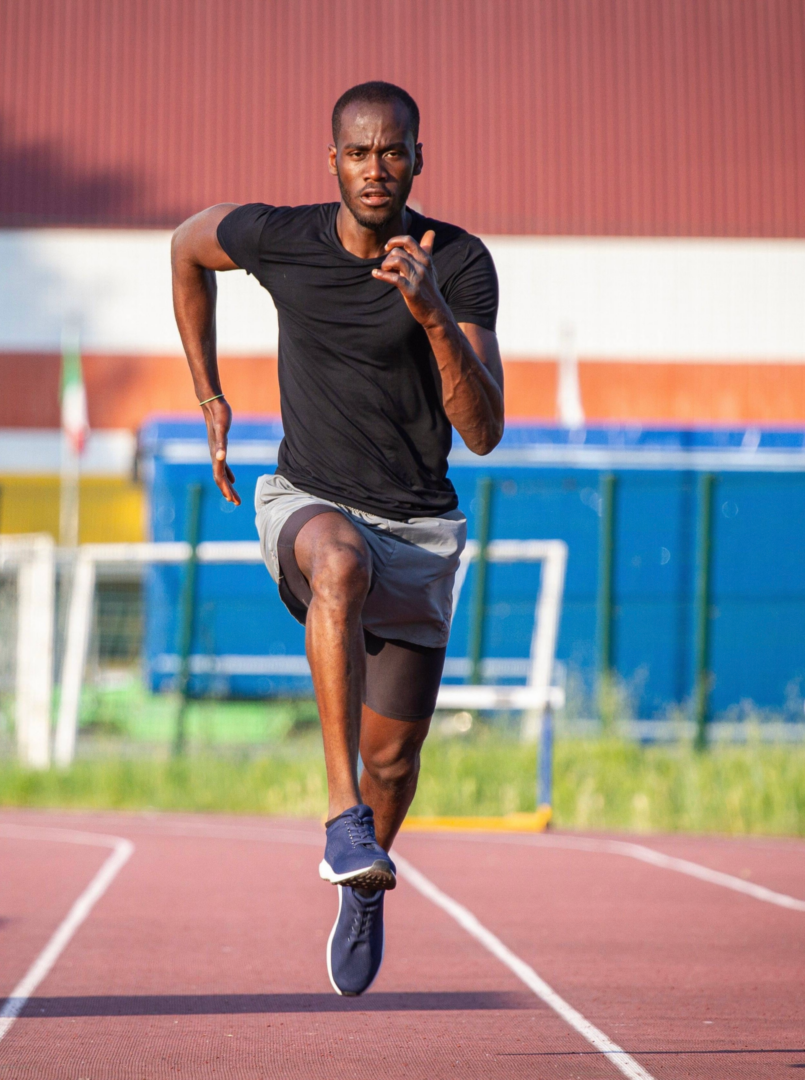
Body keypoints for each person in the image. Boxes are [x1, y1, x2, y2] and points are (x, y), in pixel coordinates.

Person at [170, 80, 504, 996]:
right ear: (333, 162)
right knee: (341, 563)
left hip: (423, 527)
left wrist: (431, 310)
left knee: (395, 757)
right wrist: (209, 393)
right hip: (308, 499)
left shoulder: (460, 261)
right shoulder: (285, 239)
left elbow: (482, 431)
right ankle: (340, 816)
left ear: (418, 160)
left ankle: (365, 876)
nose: (376, 168)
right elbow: (184, 247)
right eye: (358, 152)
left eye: (393, 151)